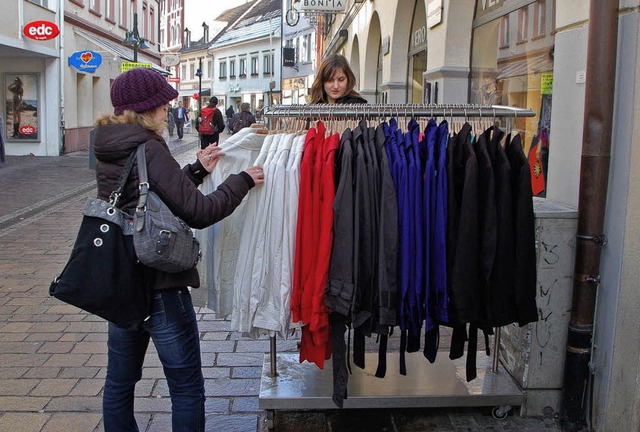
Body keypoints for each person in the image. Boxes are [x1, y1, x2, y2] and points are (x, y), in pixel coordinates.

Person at [92, 67, 264, 432]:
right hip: (159, 283)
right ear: (146, 108)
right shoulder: (148, 147)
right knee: (186, 388)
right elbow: (198, 212)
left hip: (120, 282)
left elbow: (145, 200)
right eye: (162, 104)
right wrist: (242, 180)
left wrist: (196, 172)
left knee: (119, 385)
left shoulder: (110, 144)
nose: (167, 110)